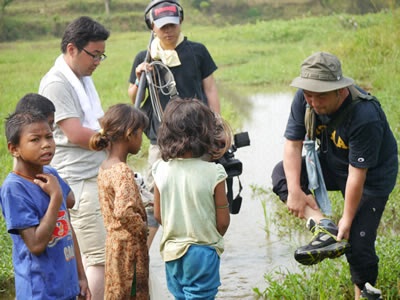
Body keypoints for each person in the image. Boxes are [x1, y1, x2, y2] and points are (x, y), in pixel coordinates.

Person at [271, 51, 398, 299]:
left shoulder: (365, 115)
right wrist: (296, 191)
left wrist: (347, 219)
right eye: (309, 95)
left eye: (321, 96)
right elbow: (292, 144)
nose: (314, 103)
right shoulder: (304, 98)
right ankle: (323, 227)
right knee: (283, 175)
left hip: (372, 176)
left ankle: (365, 294)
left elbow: (356, 174)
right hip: (333, 160)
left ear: (340, 90)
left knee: (358, 244)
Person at [128, 0, 221, 248]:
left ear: (180, 22)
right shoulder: (145, 57)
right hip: (161, 137)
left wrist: (217, 125)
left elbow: (210, 89)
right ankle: (144, 252)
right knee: (154, 195)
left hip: (197, 136)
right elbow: (133, 97)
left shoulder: (197, 51)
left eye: (172, 25)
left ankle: (201, 243)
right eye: (162, 27)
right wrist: (140, 77)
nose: (168, 31)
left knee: (198, 192)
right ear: (152, 27)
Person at [38, 16, 110, 299]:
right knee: (99, 259)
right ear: (72, 49)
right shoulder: (57, 83)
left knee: (100, 256)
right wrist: (115, 139)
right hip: (78, 183)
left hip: (93, 178)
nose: (98, 61)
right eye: (94, 54)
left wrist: (116, 127)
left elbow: (100, 119)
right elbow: (77, 133)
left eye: (101, 55)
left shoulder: (82, 81)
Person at [0, 111, 91, 299]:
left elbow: (67, 226)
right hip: (40, 292)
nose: (46, 144)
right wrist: (56, 196)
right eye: (35, 140)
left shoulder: (50, 174)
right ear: (14, 149)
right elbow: (36, 244)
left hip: (66, 287)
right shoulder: (14, 189)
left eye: (49, 136)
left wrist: (81, 277)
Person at [152, 98, 231, 299]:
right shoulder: (214, 172)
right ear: (206, 134)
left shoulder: (160, 169)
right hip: (202, 252)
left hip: (172, 253)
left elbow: (159, 215)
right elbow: (222, 222)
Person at [89, 103, 149, 299]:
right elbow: (123, 212)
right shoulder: (122, 171)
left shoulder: (105, 166)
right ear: (130, 134)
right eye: (141, 133)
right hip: (128, 249)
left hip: (113, 244)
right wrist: (142, 227)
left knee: (117, 292)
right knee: (130, 293)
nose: (142, 139)